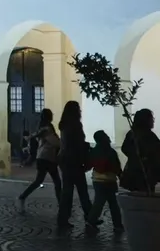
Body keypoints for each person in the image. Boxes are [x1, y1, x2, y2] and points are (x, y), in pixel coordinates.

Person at [15, 108, 61, 213]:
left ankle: (22, 197)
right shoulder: (48, 129)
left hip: (43, 157)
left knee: (40, 181)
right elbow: (55, 142)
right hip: (48, 157)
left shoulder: (42, 128)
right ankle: (61, 203)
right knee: (56, 182)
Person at [56, 100, 92, 229]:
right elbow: (78, 144)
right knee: (82, 191)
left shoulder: (64, 125)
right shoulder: (76, 125)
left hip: (65, 160)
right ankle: (90, 217)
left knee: (67, 191)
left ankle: (63, 218)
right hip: (75, 161)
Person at [120, 108, 160, 193]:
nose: (153, 121)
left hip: (140, 172)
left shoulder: (138, 134)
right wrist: (139, 157)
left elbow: (157, 157)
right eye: (151, 118)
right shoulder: (138, 135)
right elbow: (156, 158)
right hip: (143, 173)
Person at [85, 130, 124, 233]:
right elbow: (116, 167)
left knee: (98, 202)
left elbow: (89, 165)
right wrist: (121, 176)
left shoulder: (94, 151)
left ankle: (91, 221)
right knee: (113, 204)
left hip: (97, 180)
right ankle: (118, 225)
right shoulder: (111, 152)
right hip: (110, 180)